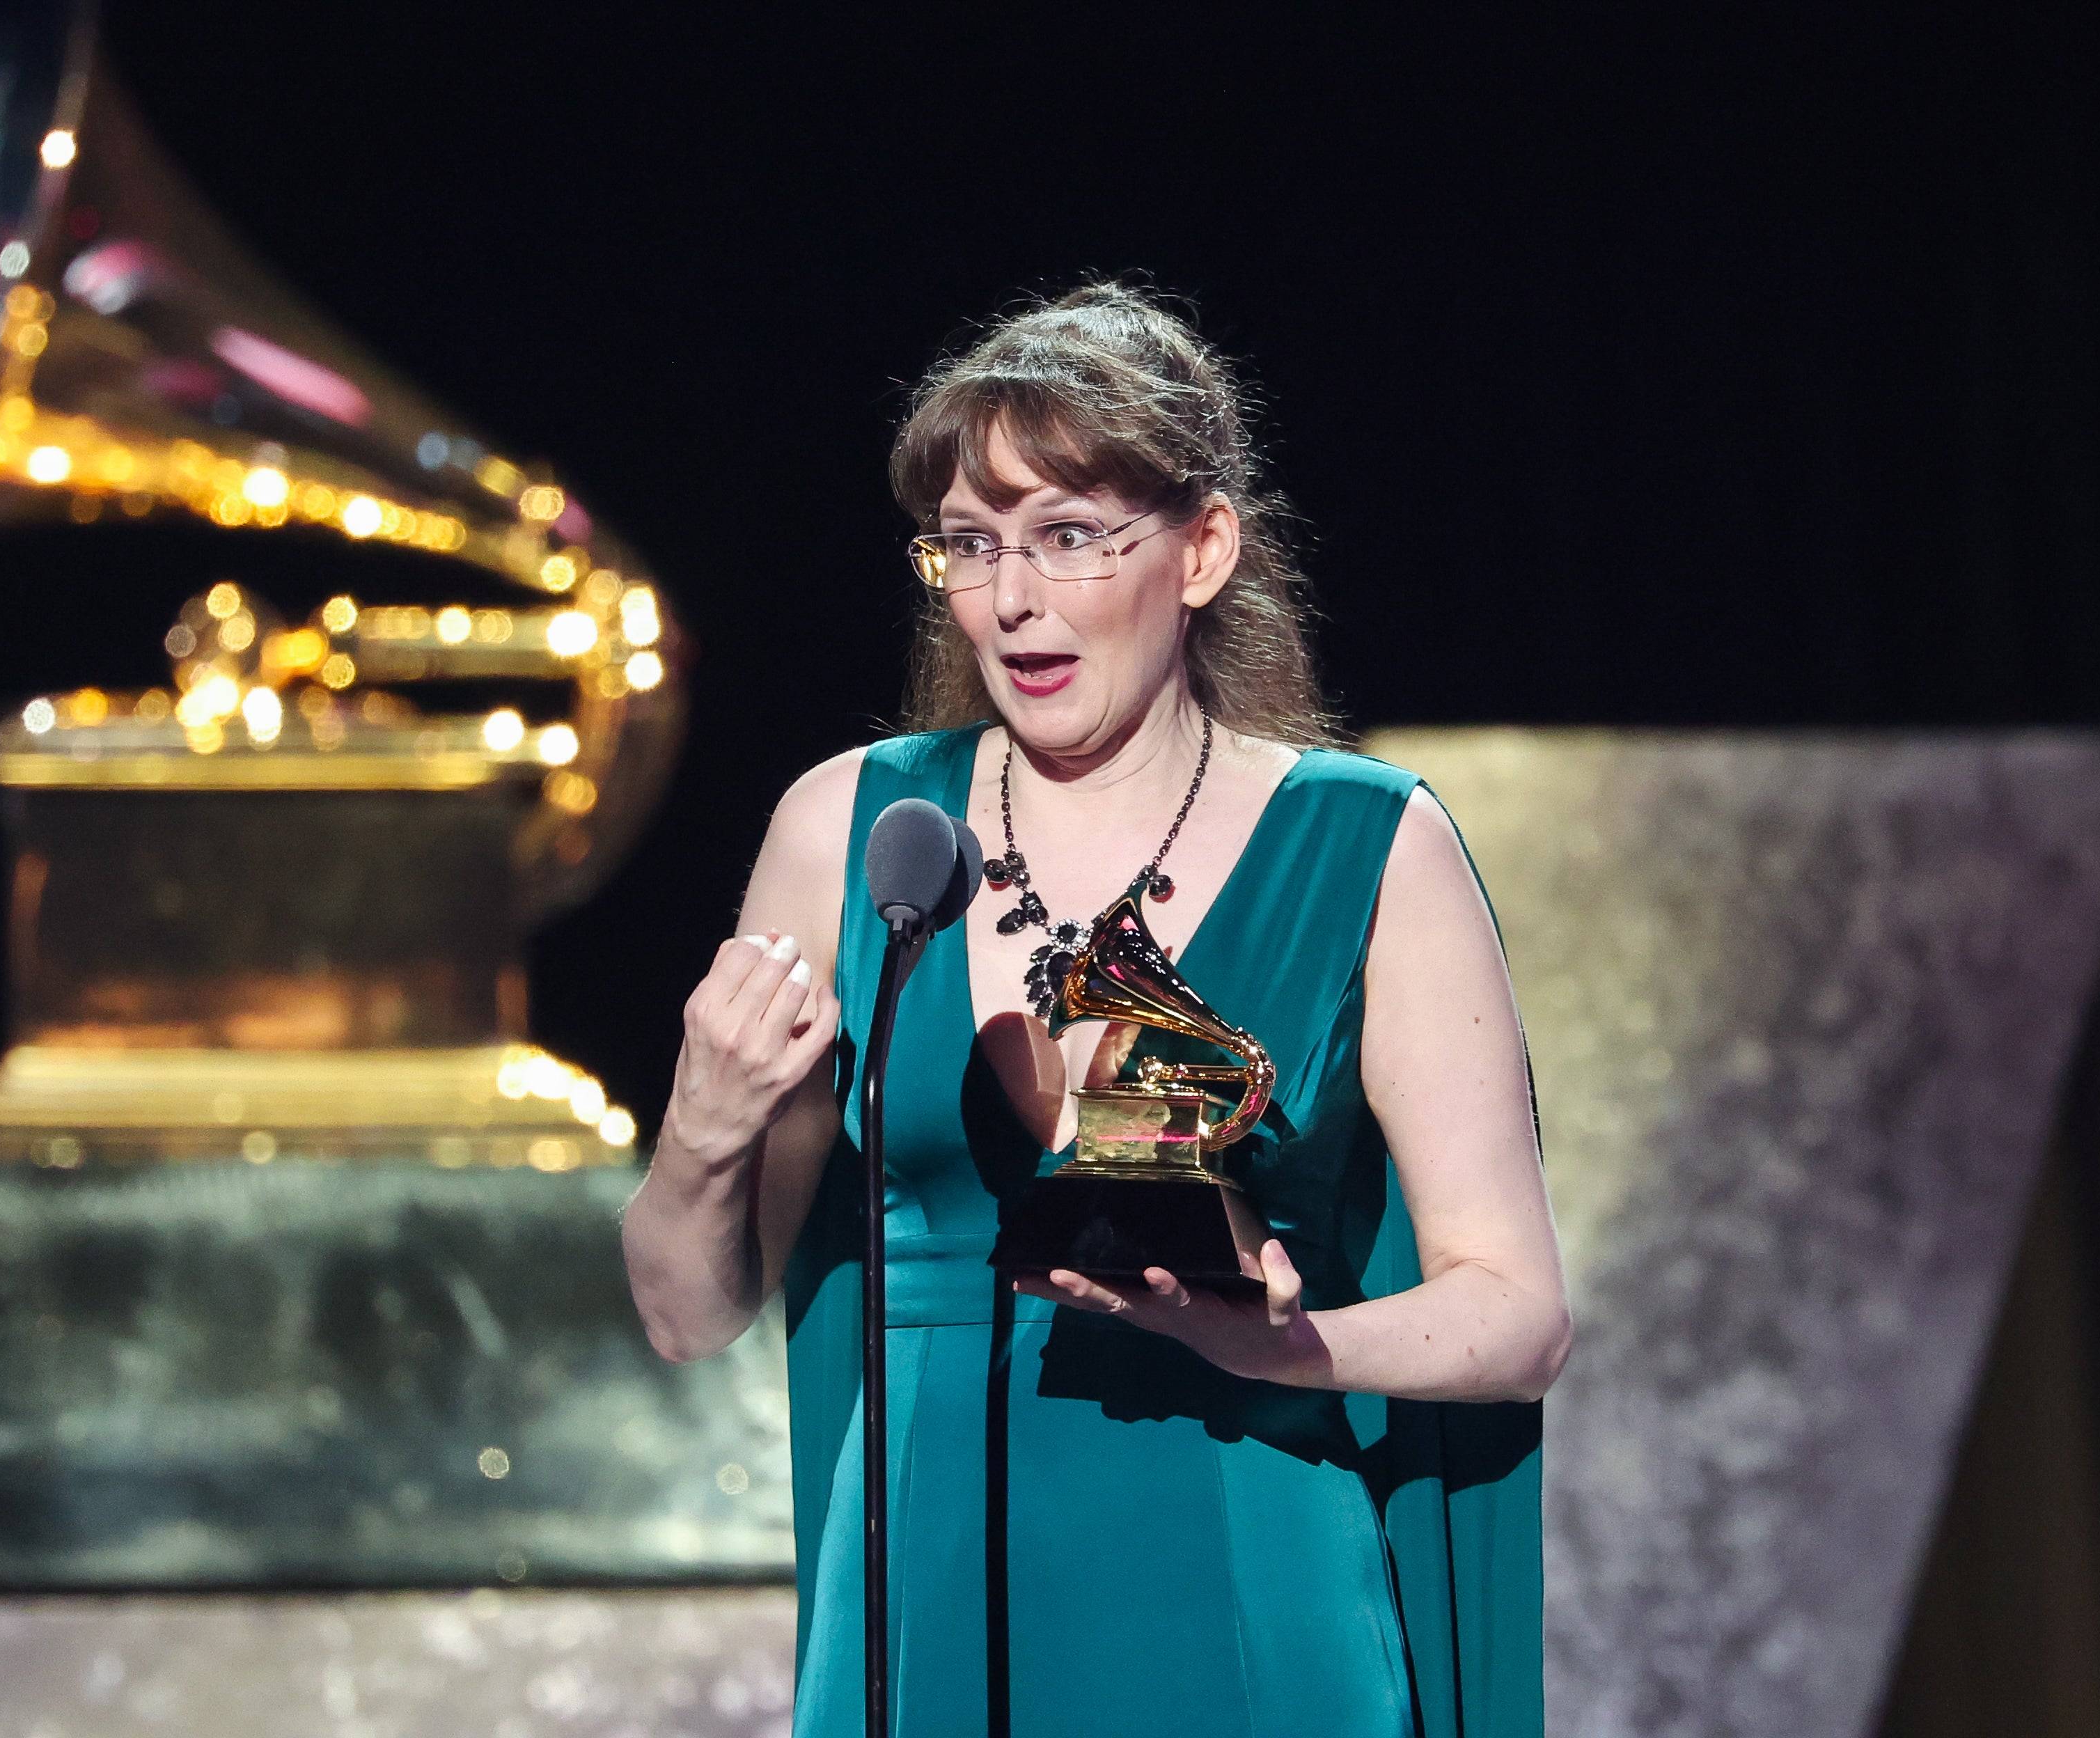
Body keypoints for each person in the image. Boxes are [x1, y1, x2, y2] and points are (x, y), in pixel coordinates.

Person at [622, 283, 1568, 1737]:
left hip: (1247, 1574)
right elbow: (690, 1321)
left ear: (1200, 552)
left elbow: (1515, 1317)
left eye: (1069, 538)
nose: (1010, 599)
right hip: (925, 1593)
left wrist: (1280, 1348)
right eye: (970, 545)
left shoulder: (1369, 846)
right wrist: (700, 1130)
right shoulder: (855, 832)